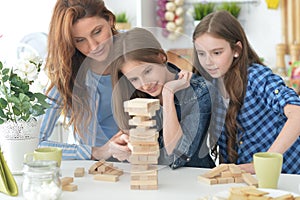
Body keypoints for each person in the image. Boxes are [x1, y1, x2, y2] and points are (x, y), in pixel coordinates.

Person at [192, 10, 300, 174]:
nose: (208, 62)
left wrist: (263, 163)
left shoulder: (256, 77)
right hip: (248, 182)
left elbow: (297, 114)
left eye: (217, 53)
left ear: (236, 49)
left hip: (288, 175)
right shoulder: (208, 86)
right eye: (201, 54)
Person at [110, 27, 216, 169]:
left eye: (147, 71)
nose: (145, 85)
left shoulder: (200, 91)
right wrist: (126, 151)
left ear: (161, 56)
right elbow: (144, 154)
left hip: (194, 181)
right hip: (156, 183)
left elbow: (177, 156)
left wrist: (168, 94)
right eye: (134, 79)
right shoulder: (136, 97)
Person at [39, 0, 128, 161]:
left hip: (143, 164)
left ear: (109, 19)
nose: (93, 46)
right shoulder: (66, 73)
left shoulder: (134, 49)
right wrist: (96, 152)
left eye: (97, 32)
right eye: (79, 40)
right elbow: (35, 142)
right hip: (93, 170)